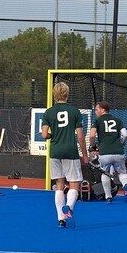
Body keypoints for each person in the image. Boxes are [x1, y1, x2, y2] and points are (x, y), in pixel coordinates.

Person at [41, 82, 89, 228]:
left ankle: (60, 219)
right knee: (74, 184)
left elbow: (44, 134)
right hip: (70, 151)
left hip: (55, 151)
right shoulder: (74, 111)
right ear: (67, 94)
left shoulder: (49, 112)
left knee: (59, 185)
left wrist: (52, 135)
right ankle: (68, 207)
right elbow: (80, 136)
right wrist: (85, 155)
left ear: (54, 95)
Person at [88, 101, 127, 203]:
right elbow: (125, 134)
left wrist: (93, 146)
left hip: (105, 153)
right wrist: (122, 143)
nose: (96, 112)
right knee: (122, 172)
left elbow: (92, 135)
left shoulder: (97, 121)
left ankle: (108, 197)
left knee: (105, 173)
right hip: (118, 152)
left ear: (103, 109)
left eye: (97, 109)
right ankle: (125, 185)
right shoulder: (117, 120)